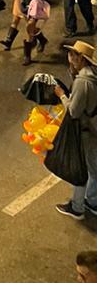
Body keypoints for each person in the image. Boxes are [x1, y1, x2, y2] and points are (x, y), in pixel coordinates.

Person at [56, 41, 97, 220]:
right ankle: (92, 201)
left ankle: (79, 206)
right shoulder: (93, 75)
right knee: (93, 167)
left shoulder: (83, 81)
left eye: (73, 54)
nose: (70, 57)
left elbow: (74, 111)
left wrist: (61, 95)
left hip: (88, 131)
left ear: (81, 58)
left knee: (83, 169)